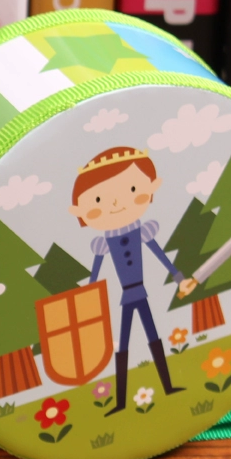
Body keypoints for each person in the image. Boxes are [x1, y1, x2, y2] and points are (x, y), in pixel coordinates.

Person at [69, 146, 196, 415]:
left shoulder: (142, 231)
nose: (116, 204)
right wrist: (87, 298)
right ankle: (121, 400)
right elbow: (95, 275)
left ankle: (168, 386)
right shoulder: (104, 242)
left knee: (152, 338)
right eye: (99, 199)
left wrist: (179, 279)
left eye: (131, 190)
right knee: (124, 344)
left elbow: (161, 256)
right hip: (126, 296)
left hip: (140, 293)